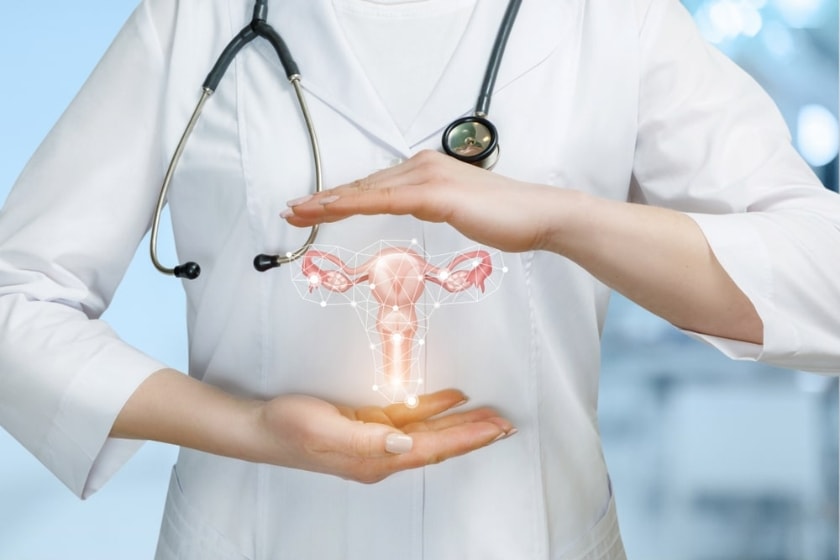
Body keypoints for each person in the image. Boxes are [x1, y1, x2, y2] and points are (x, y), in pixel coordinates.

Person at [1, 0, 839, 559]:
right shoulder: (201, 16)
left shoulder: (610, 20)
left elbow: (825, 283)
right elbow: (14, 298)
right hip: (252, 534)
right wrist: (251, 426)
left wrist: (558, 218)